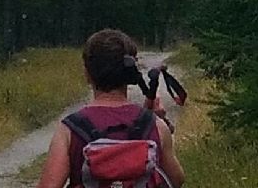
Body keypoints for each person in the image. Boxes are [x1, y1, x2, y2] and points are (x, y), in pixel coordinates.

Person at [36, 29, 185, 188]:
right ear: (131, 74)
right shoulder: (155, 125)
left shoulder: (70, 129)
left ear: (87, 74)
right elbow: (176, 180)